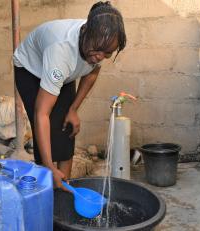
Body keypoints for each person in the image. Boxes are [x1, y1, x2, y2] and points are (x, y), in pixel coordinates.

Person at [13, 1, 126, 190]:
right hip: (31, 69)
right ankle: (47, 186)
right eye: (97, 50)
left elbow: (92, 73)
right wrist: (50, 166)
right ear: (86, 33)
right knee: (47, 132)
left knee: (67, 127)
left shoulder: (100, 38)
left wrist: (73, 109)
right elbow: (42, 113)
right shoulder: (61, 51)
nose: (100, 57)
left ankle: (65, 187)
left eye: (107, 54)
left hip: (62, 69)